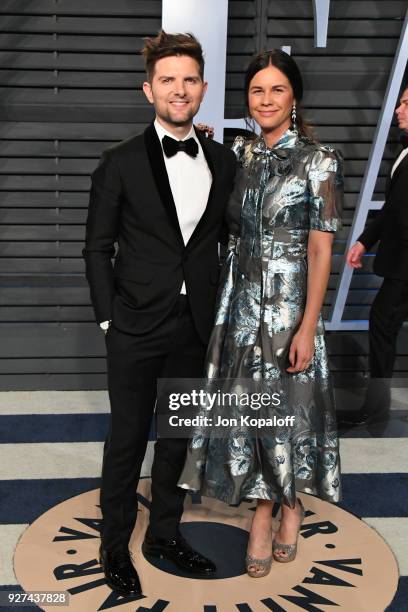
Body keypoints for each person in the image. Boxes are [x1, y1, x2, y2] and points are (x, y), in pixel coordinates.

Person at [178, 49, 343, 577]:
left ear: (294, 97)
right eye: (256, 91)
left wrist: (308, 324)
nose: (266, 99)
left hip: (289, 308)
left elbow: (321, 251)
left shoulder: (321, 161)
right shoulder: (240, 154)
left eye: (277, 90)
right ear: (247, 100)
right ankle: (276, 502)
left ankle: (273, 513)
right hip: (240, 305)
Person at [83, 30, 236, 595]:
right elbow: (96, 247)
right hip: (133, 325)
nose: (179, 89)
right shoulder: (119, 162)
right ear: (149, 90)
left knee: (177, 440)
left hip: (193, 326)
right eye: (168, 80)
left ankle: (164, 533)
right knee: (126, 439)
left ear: (201, 89)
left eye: (189, 80)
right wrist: (107, 319)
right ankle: (114, 544)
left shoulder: (221, 159)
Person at [341, 85, 408, 427]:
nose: (398, 110)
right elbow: (392, 209)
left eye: (406, 104)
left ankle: (376, 410)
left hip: (405, 269)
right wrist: (364, 242)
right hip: (399, 266)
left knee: (382, 326)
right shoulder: (404, 153)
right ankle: (376, 408)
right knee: (383, 326)